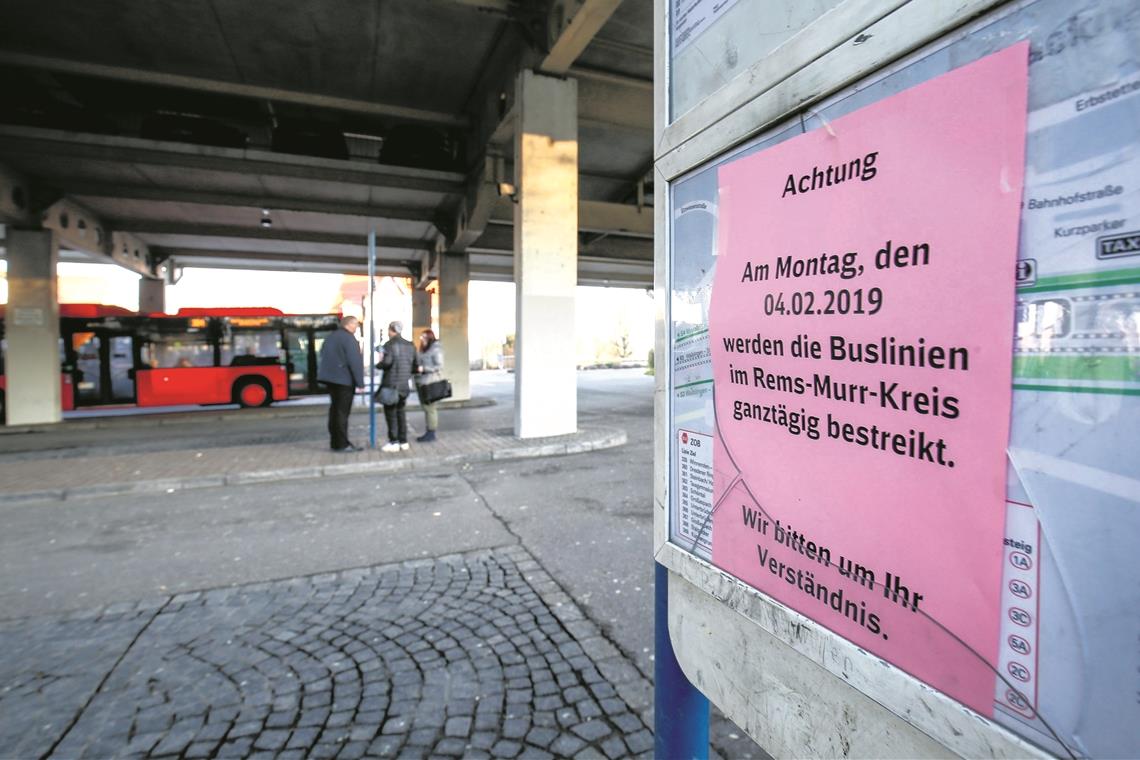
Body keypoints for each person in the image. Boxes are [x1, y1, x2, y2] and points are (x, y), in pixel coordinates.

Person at [317, 315, 364, 452]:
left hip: (331, 380)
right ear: (349, 324)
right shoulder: (349, 339)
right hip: (344, 381)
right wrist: (360, 383)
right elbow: (354, 362)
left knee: (334, 411)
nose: (356, 328)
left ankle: (335, 442)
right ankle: (342, 444)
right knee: (342, 413)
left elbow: (323, 355)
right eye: (355, 325)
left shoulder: (330, 337)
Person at [377, 320, 416, 452]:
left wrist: (379, 363)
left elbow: (387, 363)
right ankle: (403, 441)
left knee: (390, 413)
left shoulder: (389, 344)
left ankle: (393, 441)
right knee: (401, 412)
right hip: (404, 385)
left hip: (391, 384)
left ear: (391, 330)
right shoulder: (410, 345)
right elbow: (416, 364)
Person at [414, 329, 444, 443]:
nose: (421, 339)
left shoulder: (436, 349)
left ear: (430, 338)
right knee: (426, 408)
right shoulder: (424, 349)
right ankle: (428, 431)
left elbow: (439, 366)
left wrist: (425, 369)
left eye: (424, 337)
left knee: (430, 408)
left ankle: (431, 433)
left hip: (430, 382)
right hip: (422, 382)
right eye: (421, 337)